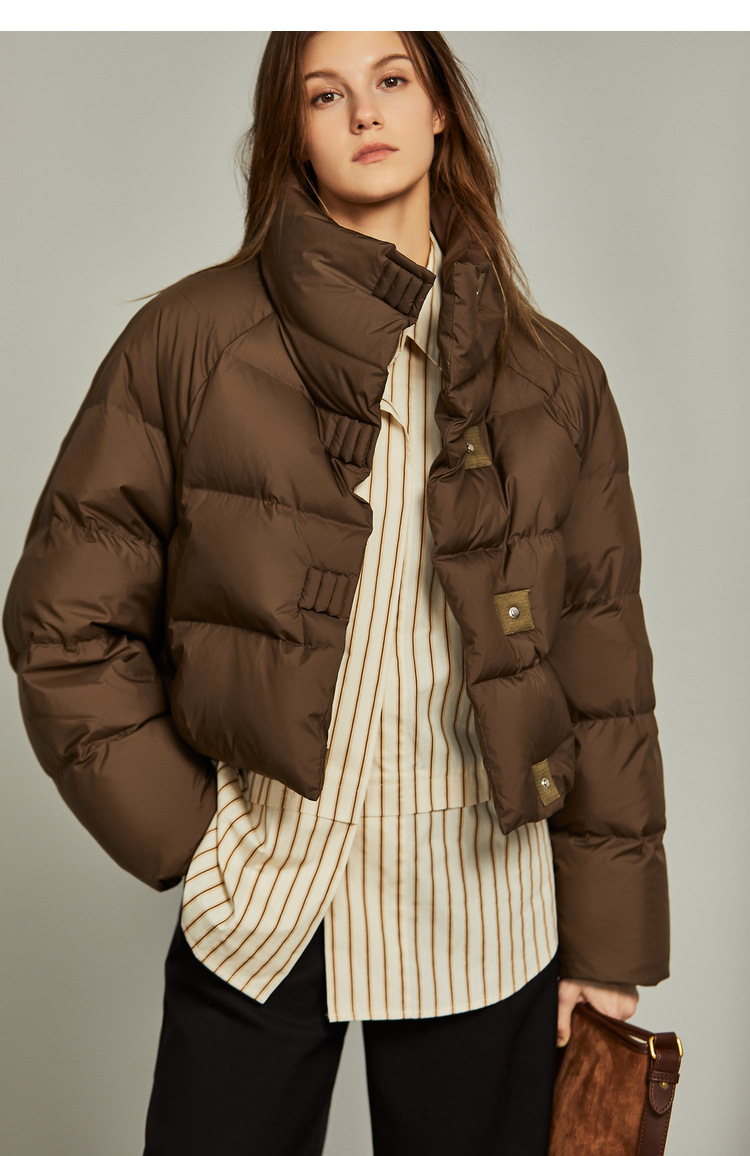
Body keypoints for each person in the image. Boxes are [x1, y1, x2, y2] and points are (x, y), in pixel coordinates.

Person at [3, 29, 669, 1156]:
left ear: (440, 107)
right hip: (263, 903)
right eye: (326, 93)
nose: (365, 113)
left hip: (485, 915)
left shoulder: (558, 381)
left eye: (391, 80)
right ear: (293, 132)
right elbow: (63, 622)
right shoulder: (190, 340)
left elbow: (603, 670)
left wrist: (606, 946)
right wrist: (198, 842)